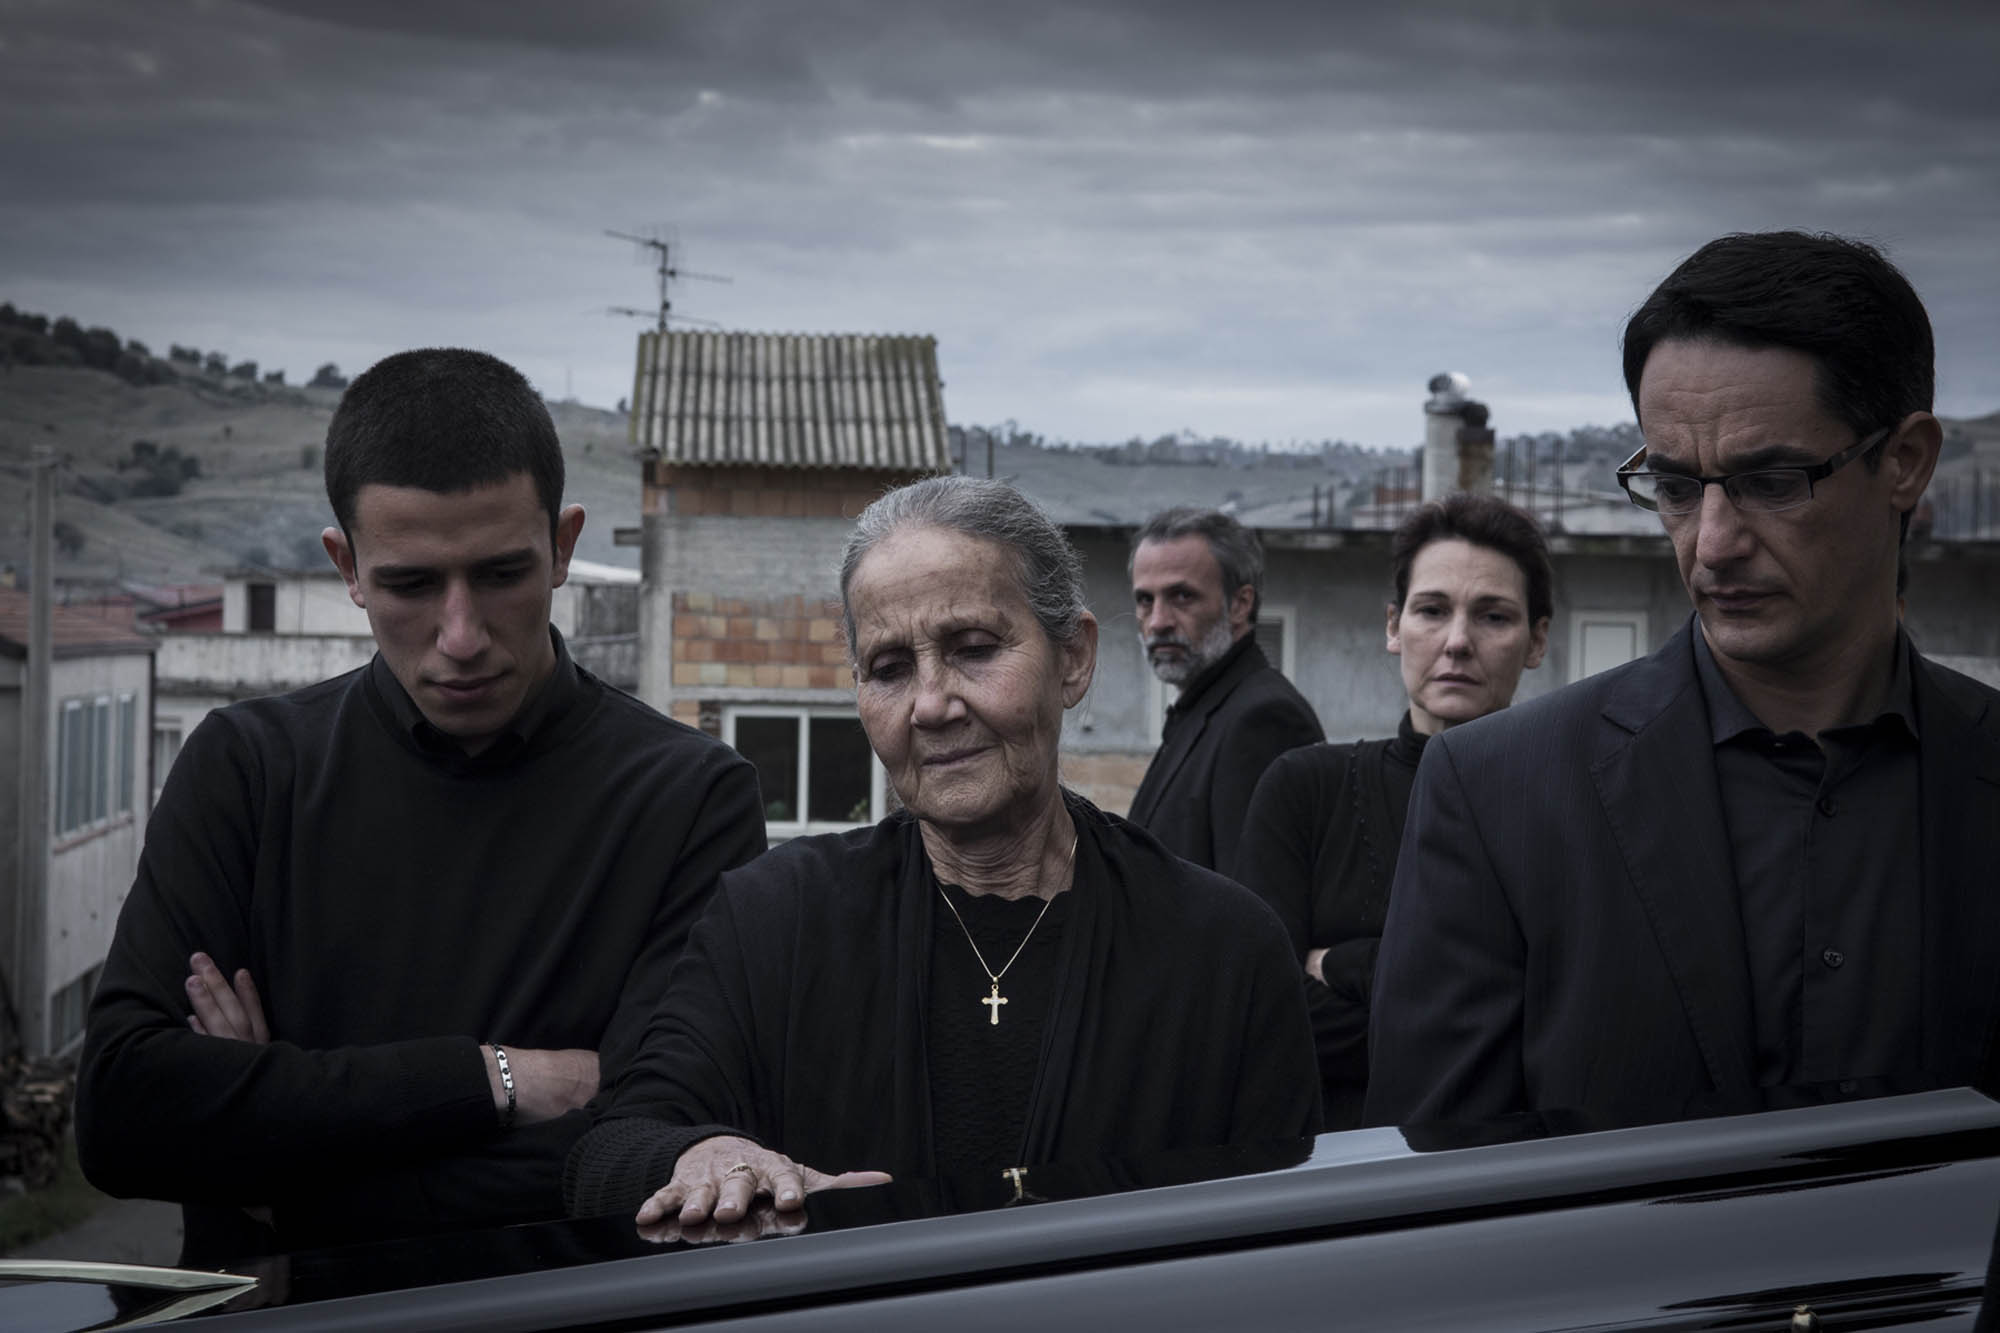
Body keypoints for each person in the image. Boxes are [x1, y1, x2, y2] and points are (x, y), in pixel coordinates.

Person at [76, 348, 766, 1260]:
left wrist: (277, 1169)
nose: (461, 635)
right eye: (411, 584)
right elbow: (123, 1114)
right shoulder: (246, 770)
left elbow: (638, 1155)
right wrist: (494, 1079)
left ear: (563, 547)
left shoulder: (692, 799)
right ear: (347, 566)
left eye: (501, 574)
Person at [1366, 231, 2000, 1130]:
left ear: (1906, 462)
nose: (1712, 543)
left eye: (1770, 481)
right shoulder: (1495, 794)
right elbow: (1441, 1182)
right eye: (1673, 486)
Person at [563, 476, 1318, 1229]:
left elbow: (1279, 1243)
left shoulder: (1223, 952)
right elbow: (616, 1144)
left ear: (1073, 659)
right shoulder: (773, 922)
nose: (930, 704)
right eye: (889, 668)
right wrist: (707, 1156)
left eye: (975, 649)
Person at [1238, 493, 1551, 1129]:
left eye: (1493, 616)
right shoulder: (1304, 790)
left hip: (1510, 1165)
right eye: (1432, 610)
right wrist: (1475, 1028)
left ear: (1537, 639)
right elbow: (1260, 1009)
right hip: (1331, 1167)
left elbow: (1564, 1019)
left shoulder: (1566, 806)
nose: (1457, 642)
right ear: (1393, 626)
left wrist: (1346, 964)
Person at [1124, 507, 1323, 875]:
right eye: (1145, 600)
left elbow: (1253, 898)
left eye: (1181, 596)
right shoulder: (1203, 707)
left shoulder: (1264, 720)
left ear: (1240, 605)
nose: (1158, 622)